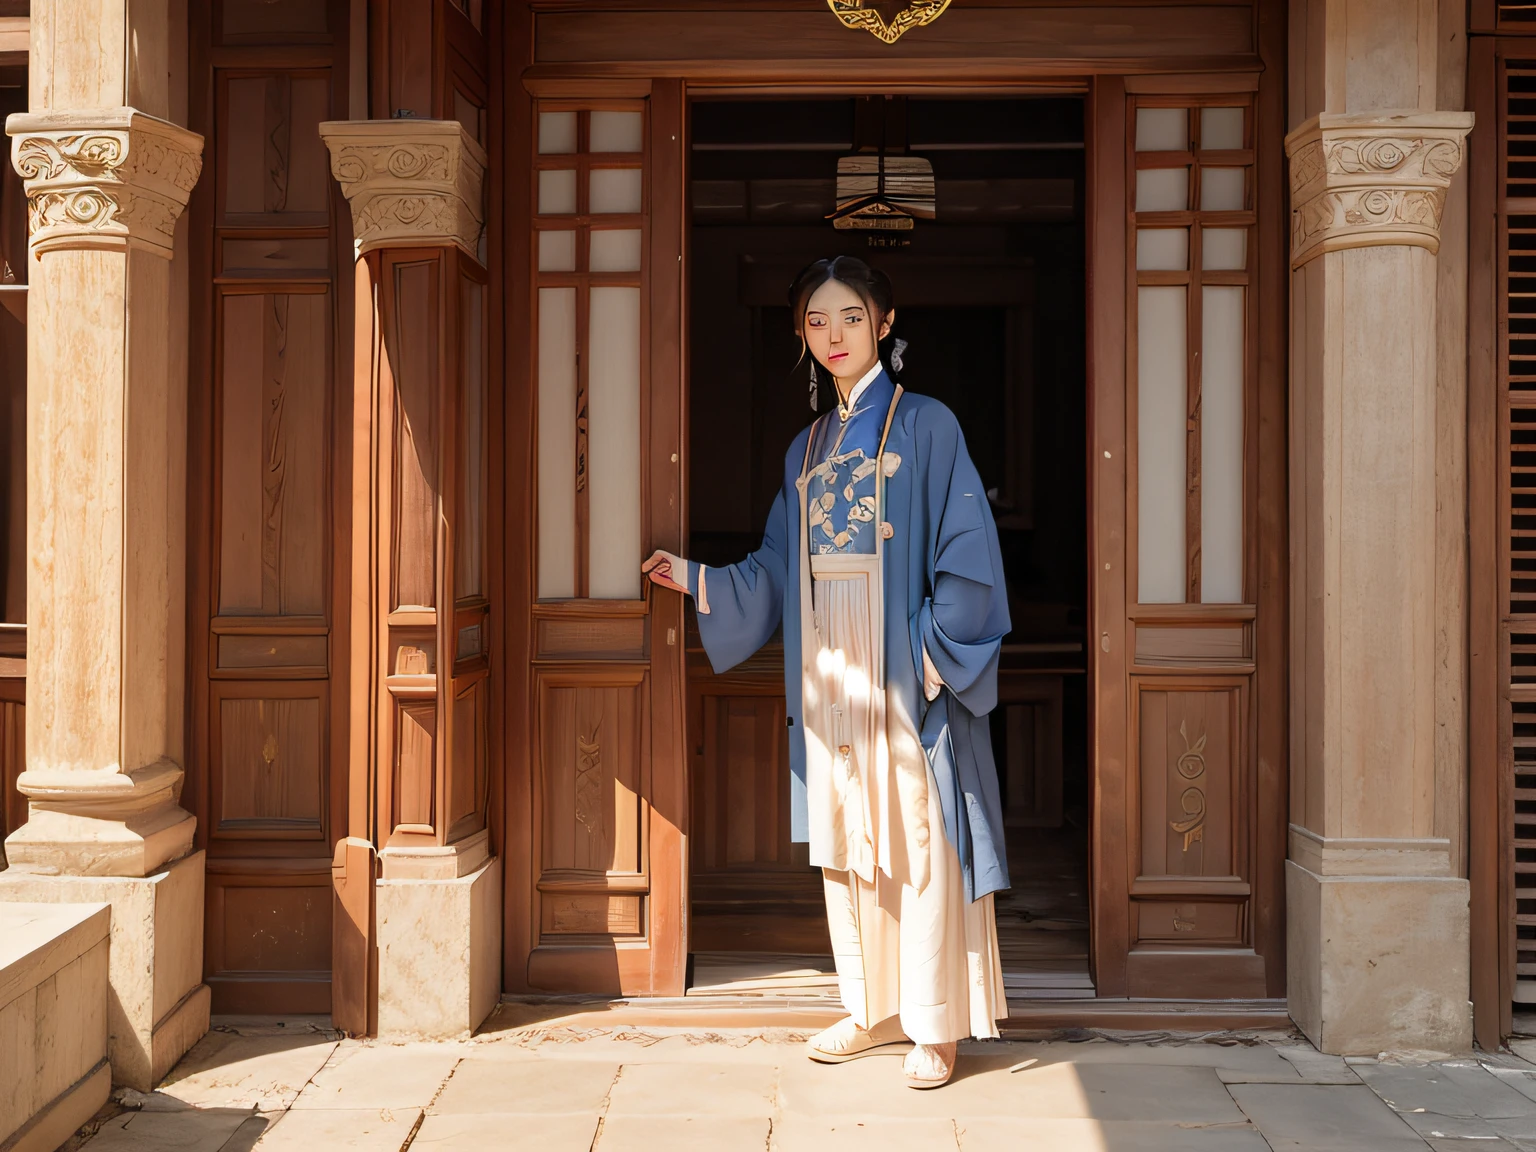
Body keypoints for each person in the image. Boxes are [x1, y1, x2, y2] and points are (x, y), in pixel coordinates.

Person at [642, 256, 1009, 1089]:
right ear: (802, 336)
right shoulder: (806, 446)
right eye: (816, 321)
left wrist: (928, 657)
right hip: (825, 664)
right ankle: (870, 1005)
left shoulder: (929, 426)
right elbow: (777, 562)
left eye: (850, 317)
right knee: (848, 834)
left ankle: (934, 1024)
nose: (833, 335)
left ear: (884, 322)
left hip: (899, 664)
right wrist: (697, 579)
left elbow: (966, 555)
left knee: (918, 837)